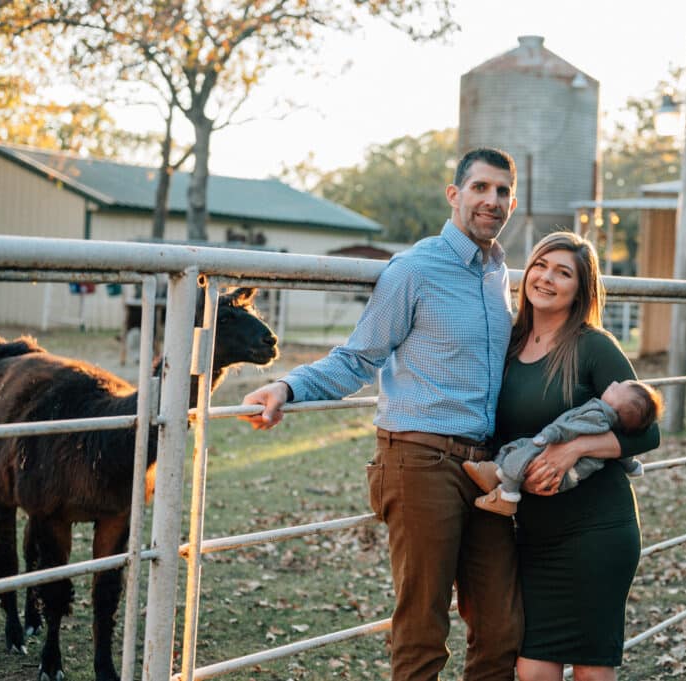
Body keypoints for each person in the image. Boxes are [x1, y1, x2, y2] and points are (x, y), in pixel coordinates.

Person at [239, 148, 523, 681]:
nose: (492, 200)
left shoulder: (497, 274)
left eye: (503, 191)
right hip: (420, 461)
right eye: (481, 187)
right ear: (454, 195)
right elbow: (358, 357)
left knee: (501, 625)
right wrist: (287, 385)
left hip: (488, 471)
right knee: (422, 628)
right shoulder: (414, 270)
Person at [494, 231, 660, 681]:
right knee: (532, 669)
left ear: (580, 288)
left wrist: (577, 447)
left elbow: (648, 434)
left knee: (590, 668)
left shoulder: (593, 346)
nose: (547, 278)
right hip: (536, 533)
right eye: (542, 265)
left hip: (598, 531)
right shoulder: (506, 343)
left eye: (563, 273)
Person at [463, 378, 662, 515]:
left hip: (569, 482)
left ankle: (507, 495)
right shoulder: (609, 419)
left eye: (617, 388)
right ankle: (497, 474)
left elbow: (570, 427)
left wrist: (551, 437)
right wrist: (632, 466)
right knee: (520, 447)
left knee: (526, 451)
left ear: (616, 407)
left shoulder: (598, 415)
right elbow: (625, 453)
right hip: (567, 482)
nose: (614, 382)